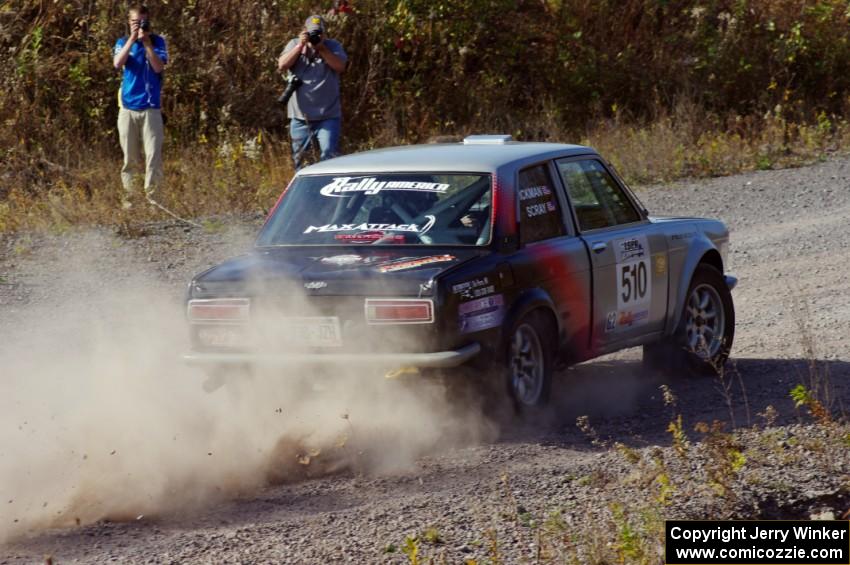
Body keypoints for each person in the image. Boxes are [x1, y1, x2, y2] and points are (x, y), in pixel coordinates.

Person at [112, 4, 168, 209]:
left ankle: (154, 201)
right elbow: (117, 63)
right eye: (135, 22)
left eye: (143, 21)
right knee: (130, 158)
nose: (139, 25)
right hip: (128, 108)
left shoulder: (158, 42)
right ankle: (131, 201)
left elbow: (158, 66)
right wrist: (132, 39)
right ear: (129, 22)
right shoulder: (121, 42)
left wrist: (146, 43)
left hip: (151, 107)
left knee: (153, 156)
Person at [277, 15, 347, 170]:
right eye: (312, 33)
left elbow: (340, 67)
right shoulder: (294, 44)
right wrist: (300, 47)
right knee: (300, 161)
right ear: (304, 31)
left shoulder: (333, 46)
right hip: (300, 118)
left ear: (325, 33)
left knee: (330, 158)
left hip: (328, 117)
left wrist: (321, 48)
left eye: (319, 33)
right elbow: (282, 65)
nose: (316, 36)